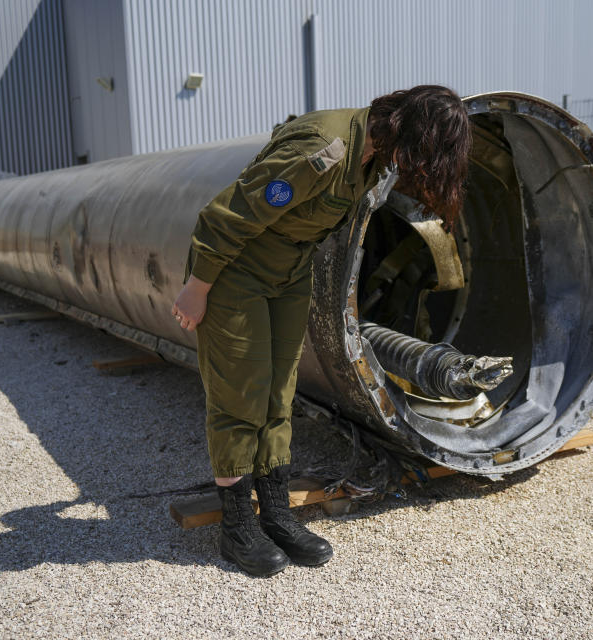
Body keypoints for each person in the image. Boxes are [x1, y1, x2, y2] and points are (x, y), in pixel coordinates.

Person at [171, 85, 471, 577]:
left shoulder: (373, 159)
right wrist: (197, 288)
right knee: (240, 394)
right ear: (408, 132)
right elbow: (229, 214)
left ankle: (277, 516)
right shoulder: (324, 151)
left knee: (278, 391)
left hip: (288, 274)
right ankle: (237, 525)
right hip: (236, 272)